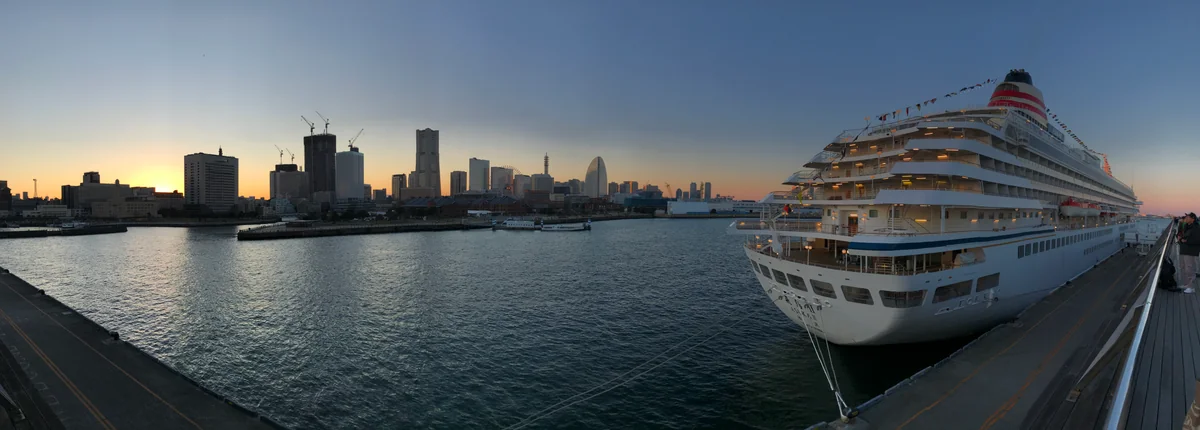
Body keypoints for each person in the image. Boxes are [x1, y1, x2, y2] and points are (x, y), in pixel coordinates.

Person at [1179, 213, 1200, 293]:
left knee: (1189, 268)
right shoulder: (1187, 226)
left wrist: (1186, 241)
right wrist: (1181, 239)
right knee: (1183, 267)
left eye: (1188, 217)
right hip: (1184, 249)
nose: (1186, 218)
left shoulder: (1196, 227)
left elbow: (1198, 240)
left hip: (1191, 250)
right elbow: (1185, 237)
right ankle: (1187, 284)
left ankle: (1191, 287)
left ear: (1193, 219)